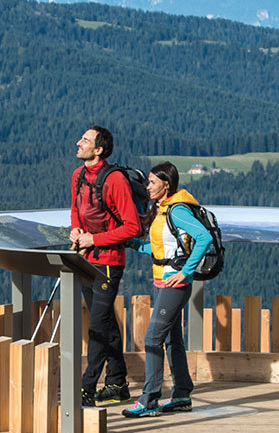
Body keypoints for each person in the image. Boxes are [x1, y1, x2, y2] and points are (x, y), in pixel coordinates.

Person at [119, 162, 214, 417]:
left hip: (177, 282)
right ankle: (182, 395)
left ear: (166, 184)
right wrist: (134, 245)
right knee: (172, 339)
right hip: (165, 280)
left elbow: (204, 238)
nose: (147, 187)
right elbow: (163, 250)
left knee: (153, 338)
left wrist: (186, 272)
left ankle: (149, 400)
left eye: (152, 182)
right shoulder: (162, 210)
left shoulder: (178, 210)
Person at [66, 125, 141, 406]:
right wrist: (75, 231)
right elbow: (76, 209)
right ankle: (117, 383)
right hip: (86, 260)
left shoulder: (115, 180)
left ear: (99, 149)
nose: (78, 142)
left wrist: (92, 238)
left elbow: (132, 227)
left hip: (108, 263)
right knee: (106, 324)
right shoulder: (78, 176)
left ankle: (85, 389)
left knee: (97, 327)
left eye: (85, 140)